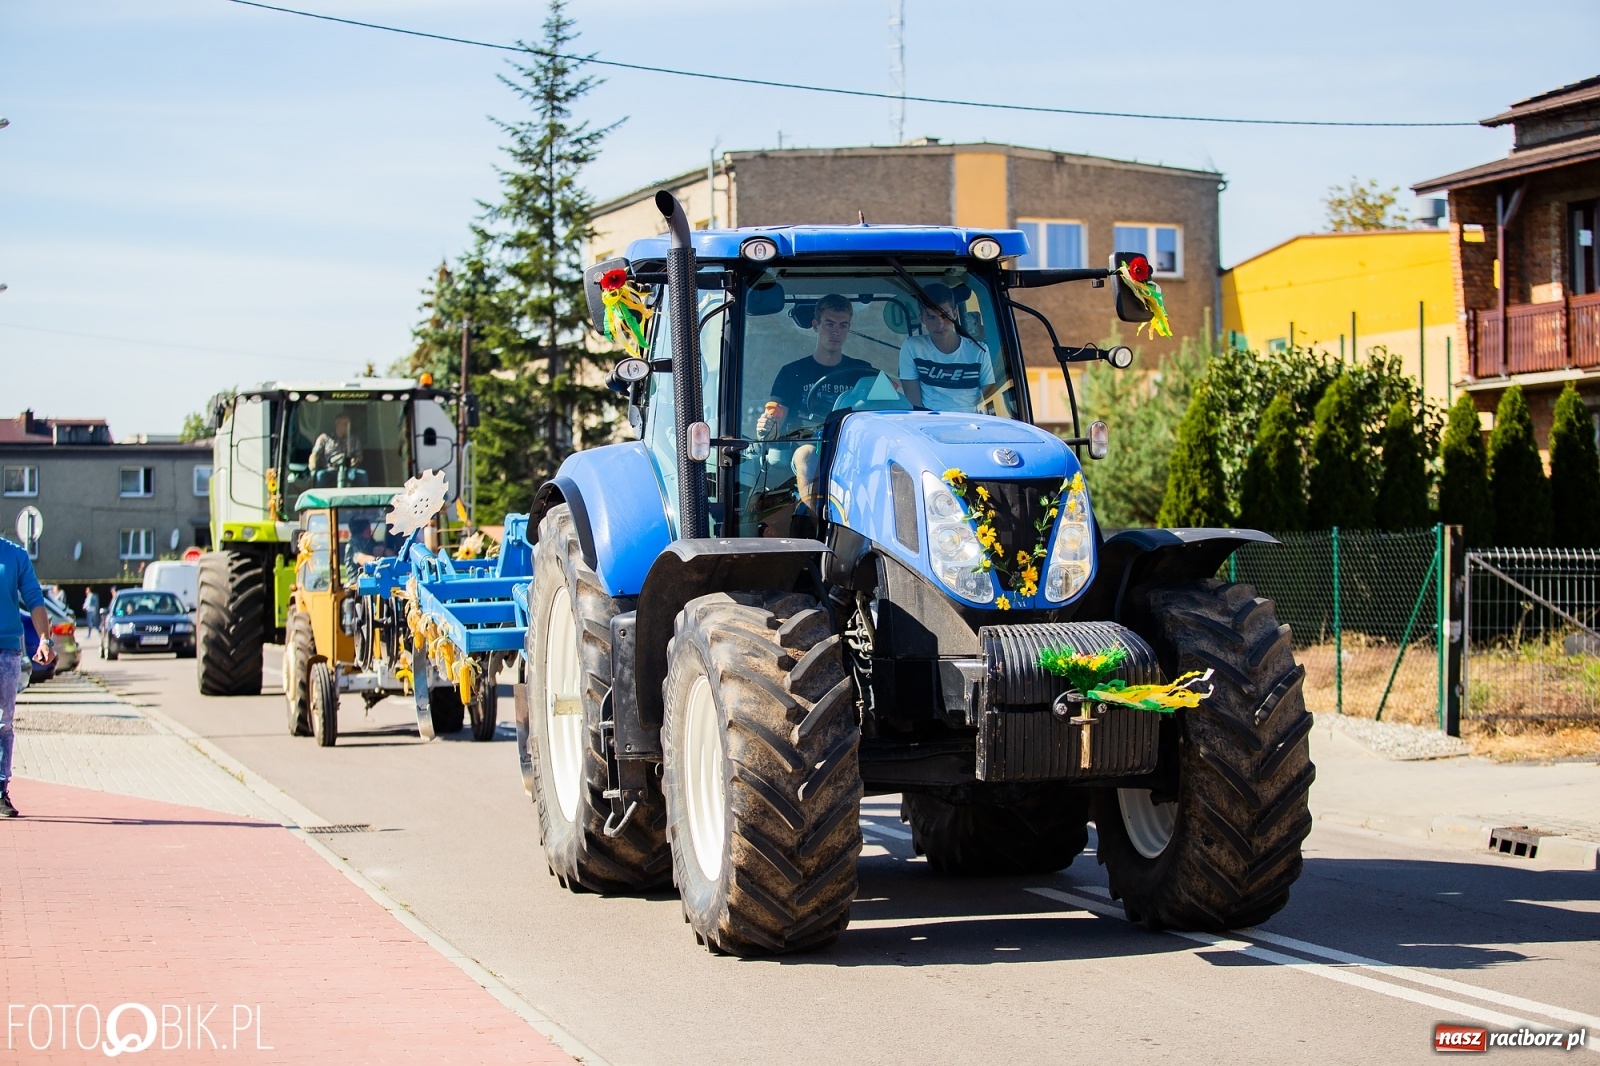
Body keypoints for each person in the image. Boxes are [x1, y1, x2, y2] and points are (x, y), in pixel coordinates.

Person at [754, 294, 873, 510]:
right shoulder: (792, 373)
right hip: (809, 445)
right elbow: (775, 413)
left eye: (843, 325)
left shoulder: (863, 371)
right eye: (829, 324)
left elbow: (883, 409)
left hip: (853, 446)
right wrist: (768, 425)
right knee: (806, 455)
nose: (836, 331)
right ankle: (815, 522)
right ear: (816, 325)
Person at [1, 534, 56, 817]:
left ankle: (0, 791)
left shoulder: (15, 556)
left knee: (3, 723)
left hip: (6, 652)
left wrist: (45, 639)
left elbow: (34, 598)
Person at [897, 283, 995, 412]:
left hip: (972, 422)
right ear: (922, 318)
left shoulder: (979, 351)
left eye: (945, 315)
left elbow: (991, 399)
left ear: (955, 314)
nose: (940, 324)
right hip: (930, 420)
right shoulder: (912, 347)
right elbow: (914, 402)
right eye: (931, 317)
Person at [309, 413, 365, 487]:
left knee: (362, 475)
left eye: (349, 424)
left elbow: (359, 455)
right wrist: (312, 466)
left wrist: (355, 460)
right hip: (329, 470)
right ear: (337, 424)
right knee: (320, 475)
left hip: (349, 470)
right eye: (345, 424)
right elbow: (314, 454)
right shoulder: (324, 438)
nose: (348, 427)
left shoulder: (354, 440)